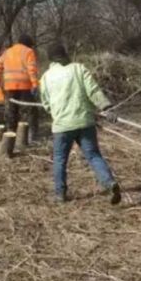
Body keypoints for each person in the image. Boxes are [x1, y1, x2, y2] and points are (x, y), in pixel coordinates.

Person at [39, 43, 121, 205]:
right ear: (65, 54)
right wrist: (106, 107)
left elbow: (46, 104)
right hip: (85, 122)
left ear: (50, 59)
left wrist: (57, 112)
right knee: (93, 155)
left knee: (60, 160)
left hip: (62, 126)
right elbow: (93, 90)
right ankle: (109, 183)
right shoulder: (78, 69)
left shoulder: (45, 77)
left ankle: (60, 195)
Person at [0, 34, 40, 141]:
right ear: (28, 44)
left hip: (9, 87)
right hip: (25, 86)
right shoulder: (28, 51)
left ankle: (11, 134)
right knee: (31, 111)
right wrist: (35, 84)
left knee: (11, 110)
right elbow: (31, 69)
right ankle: (32, 136)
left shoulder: (7, 52)